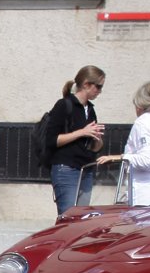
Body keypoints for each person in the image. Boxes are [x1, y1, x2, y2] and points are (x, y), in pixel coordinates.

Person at [43, 66, 106, 216]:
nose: (100, 91)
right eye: (98, 87)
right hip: (66, 169)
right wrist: (82, 132)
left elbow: (93, 147)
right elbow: (51, 140)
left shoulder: (90, 109)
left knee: (81, 218)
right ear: (86, 84)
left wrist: (97, 140)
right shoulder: (64, 105)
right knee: (68, 218)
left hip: (85, 169)